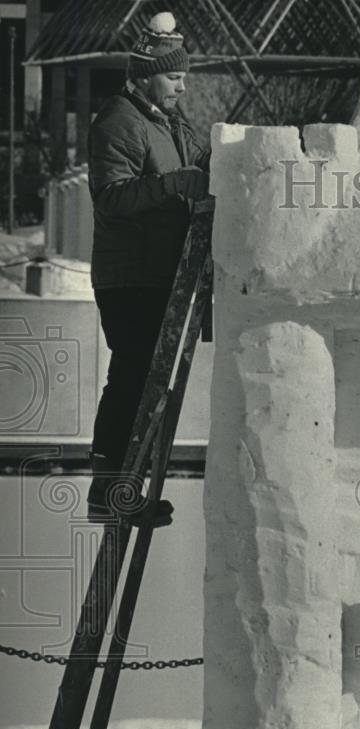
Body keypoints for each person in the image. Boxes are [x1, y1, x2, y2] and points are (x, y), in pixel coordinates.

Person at [86, 11, 210, 525]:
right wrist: (174, 185)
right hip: (129, 276)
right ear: (145, 76)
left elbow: (204, 162)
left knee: (149, 384)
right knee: (133, 376)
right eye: (173, 76)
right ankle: (108, 490)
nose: (182, 86)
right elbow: (111, 197)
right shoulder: (119, 120)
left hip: (159, 275)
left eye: (182, 76)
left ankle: (125, 485)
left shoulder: (168, 123)